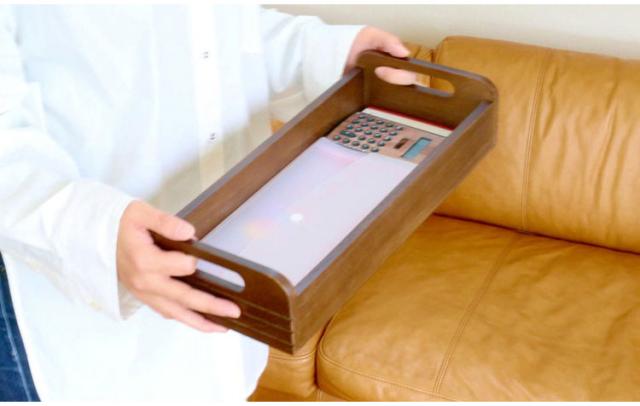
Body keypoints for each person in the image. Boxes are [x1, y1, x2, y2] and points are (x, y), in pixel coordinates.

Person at [0, 4, 415, 401]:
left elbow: (222, 32)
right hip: (70, 308)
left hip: (224, 278)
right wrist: (96, 230)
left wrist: (328, 52)